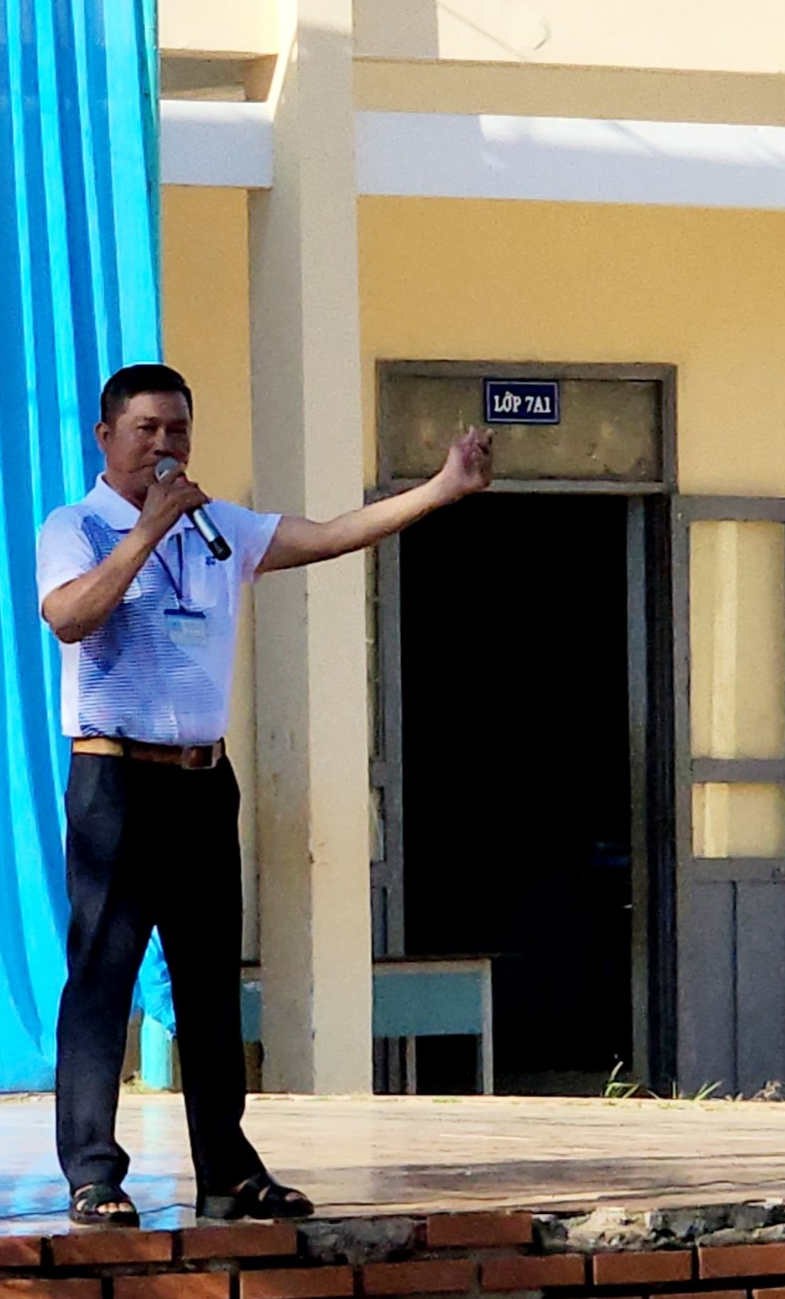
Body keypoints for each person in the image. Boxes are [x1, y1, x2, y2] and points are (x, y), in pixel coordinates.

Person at [36, 362, 493, 1226]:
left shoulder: (220, 529)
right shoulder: (77, 526)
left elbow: (330, 534)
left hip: (203, 782)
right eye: (146, 430)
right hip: (116, 780)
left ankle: (228, 1172)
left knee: (210, 983)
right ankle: (93, 1173)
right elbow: (68, 617)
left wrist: (442, 488)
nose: (165, 446)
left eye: (178, 430)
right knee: (102, 979)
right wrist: (147, 530)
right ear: (106, 437)